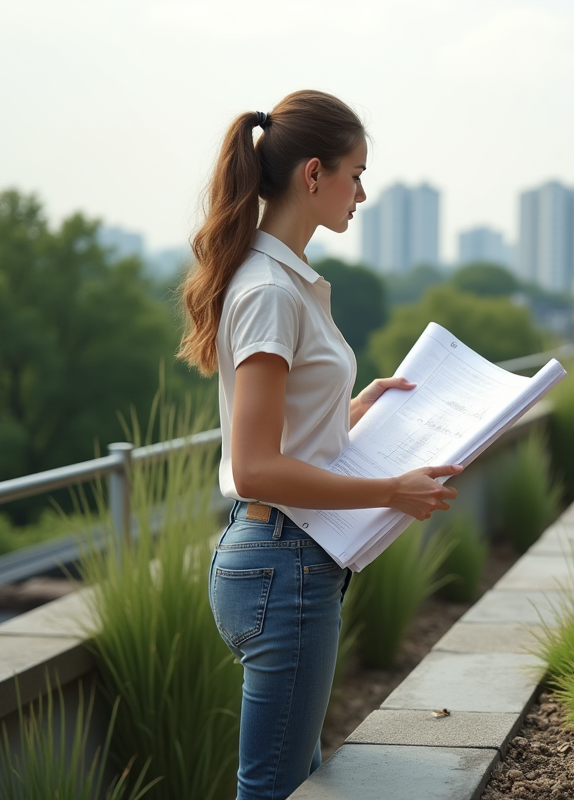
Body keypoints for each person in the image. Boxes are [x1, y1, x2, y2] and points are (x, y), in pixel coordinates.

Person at [177, 90, 462, 800]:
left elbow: (284, 430)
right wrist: (391, 492)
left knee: (292, 780)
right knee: (274, 788)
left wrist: (353, 407)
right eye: (356, 173)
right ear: (313, 175)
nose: (362, 193)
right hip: (284, 566)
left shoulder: (280, 281)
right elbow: (257, 467)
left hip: (279, 563)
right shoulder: (271, 290)